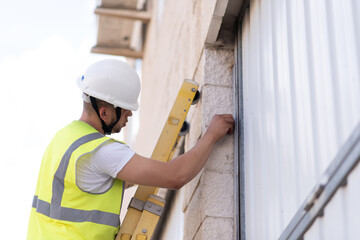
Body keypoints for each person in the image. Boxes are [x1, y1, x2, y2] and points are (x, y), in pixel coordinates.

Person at [27, 59, 234, 240]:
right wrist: (211, 135)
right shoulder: (102, 152)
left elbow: (89, 188)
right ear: (104, 112)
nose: (129, 117)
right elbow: (176, 176)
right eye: (125, 111)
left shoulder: (65, 138)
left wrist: (150, 170)